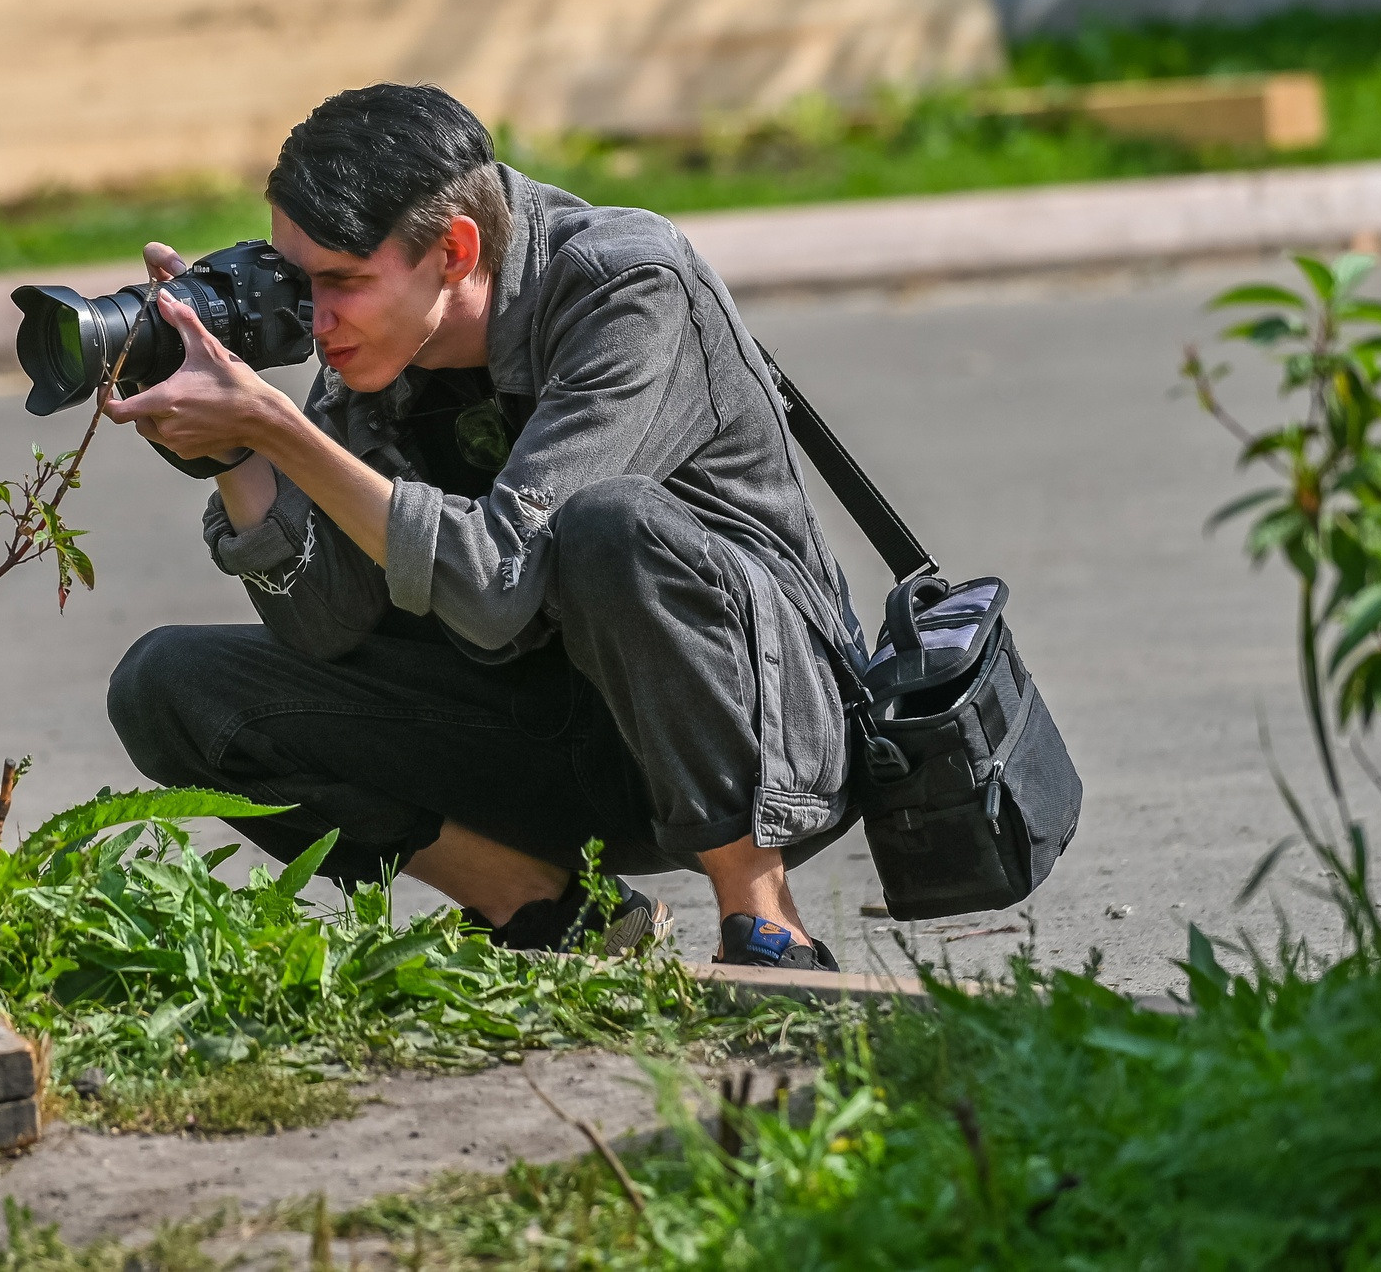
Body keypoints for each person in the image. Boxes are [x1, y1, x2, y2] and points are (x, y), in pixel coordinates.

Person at [102, 84, 861, 971]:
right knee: (169, 685)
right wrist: (239, 454)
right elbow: (321, 627)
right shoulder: (375, 341)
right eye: (300, 283)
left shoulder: (626, 288)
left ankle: (763, 919)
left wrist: (282, 429)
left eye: (342, 282)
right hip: (557, 733)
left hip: (755, 737)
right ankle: (547, 908)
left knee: (608, 525)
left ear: (455, 251)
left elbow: (502, 582)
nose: (315, 319)